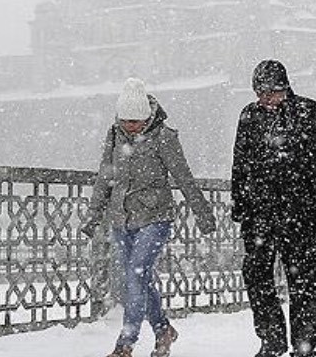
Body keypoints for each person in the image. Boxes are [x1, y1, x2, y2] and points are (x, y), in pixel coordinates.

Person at [83, 77, 218, 357]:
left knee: (136, 275)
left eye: (136, 121)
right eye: (125, 121)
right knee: (140, 280)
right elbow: (105, 178)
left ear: (147, 117)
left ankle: (125, 344)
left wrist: (203, 213)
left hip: (156, 218)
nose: (130, 126)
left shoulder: (164, 137)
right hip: (121, 219)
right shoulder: (114, 135)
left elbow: (184, 177)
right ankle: (163, 330)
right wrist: (93, 215)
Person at [231, 59, 316, 357]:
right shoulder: (249, 116)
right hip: (260, 215)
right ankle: (271, 341)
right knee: (257, 277)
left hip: (303, 215)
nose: (267, 99)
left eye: (273, 92)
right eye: (261, 93)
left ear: (285, 88)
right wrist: (240, 207)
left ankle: (304, 346)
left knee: (303, 283)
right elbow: (240, 165)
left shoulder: (312, 114)